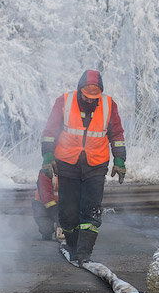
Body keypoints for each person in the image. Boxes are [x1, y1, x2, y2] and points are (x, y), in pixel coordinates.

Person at [40, 69, 126, 264]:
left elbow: (117, 135)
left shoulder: (108, 105)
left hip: (96, 165)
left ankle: (85, 252)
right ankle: (72, 247)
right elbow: (50, 131)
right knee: (68, 213)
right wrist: (47, 155)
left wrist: (120, 159)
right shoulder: (63, 102)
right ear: (79, 91)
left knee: (92, 209)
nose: (89, 100)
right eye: (86, 96)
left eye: (93, 97)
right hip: (67, 163)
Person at [31, 169, 58, 241]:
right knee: (46, 230)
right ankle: (47, 232)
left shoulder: (69, 171)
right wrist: (56, 214)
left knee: (67, 228)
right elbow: (46, 195)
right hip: (41, 204)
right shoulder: (45, 172)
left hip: (60, 205)